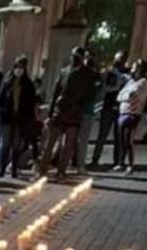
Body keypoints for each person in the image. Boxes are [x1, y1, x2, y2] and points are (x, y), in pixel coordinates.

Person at [39, 46, 97, 179]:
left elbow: (92, 94)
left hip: (75, 113)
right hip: (60, 112)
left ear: (82, 59)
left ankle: (61, 171)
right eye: (73, 56)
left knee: (68, 145)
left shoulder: (88, 74)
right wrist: (51, 112)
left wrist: (80, 105)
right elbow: (56, 92)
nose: (74, 59)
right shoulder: (64, 71)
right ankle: (42, 170)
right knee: (50, 143)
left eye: (77, 57)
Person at [0, 55, 36, 179]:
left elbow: (30, 103)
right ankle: (0, 168)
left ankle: (14, 168)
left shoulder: (28, 84)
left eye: (22, 66)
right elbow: (0, 99)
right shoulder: (7, 80)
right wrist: (2, 112)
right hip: (7, 117)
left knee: (16, 144)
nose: (19, 69)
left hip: (20, 119)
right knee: (5, 143)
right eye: (17, 66)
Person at [91, 51, 129, 168]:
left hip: (119, 108)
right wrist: (116, 85)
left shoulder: (127, 74)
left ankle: (117, 161)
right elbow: (104, 87)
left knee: (119, 136)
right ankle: (95, 159)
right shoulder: (110, 72)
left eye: (121, 59)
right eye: (118, 59)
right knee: (102, 134)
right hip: (108, 106)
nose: (119, 61)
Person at [115, 59, 147, 175]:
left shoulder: (143, 82)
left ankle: (130, 165)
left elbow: (134, 95)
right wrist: (125, 96)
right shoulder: (131, 81)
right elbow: (120, 96)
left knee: (128, 140)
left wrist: (125, 96)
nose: (132, 69)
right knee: (121, 139)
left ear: (140, 69)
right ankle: (121, 162)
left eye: (134, 67)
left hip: (133, 113)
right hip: (123, 113)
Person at [75, 51, 102, 174]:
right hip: (83, 111)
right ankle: (79, 165)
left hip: (79, 110)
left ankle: (76, 164)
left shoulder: (79, 74)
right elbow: (96, 93)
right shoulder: (93, 76)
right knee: (80, 141)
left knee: (75, 140)